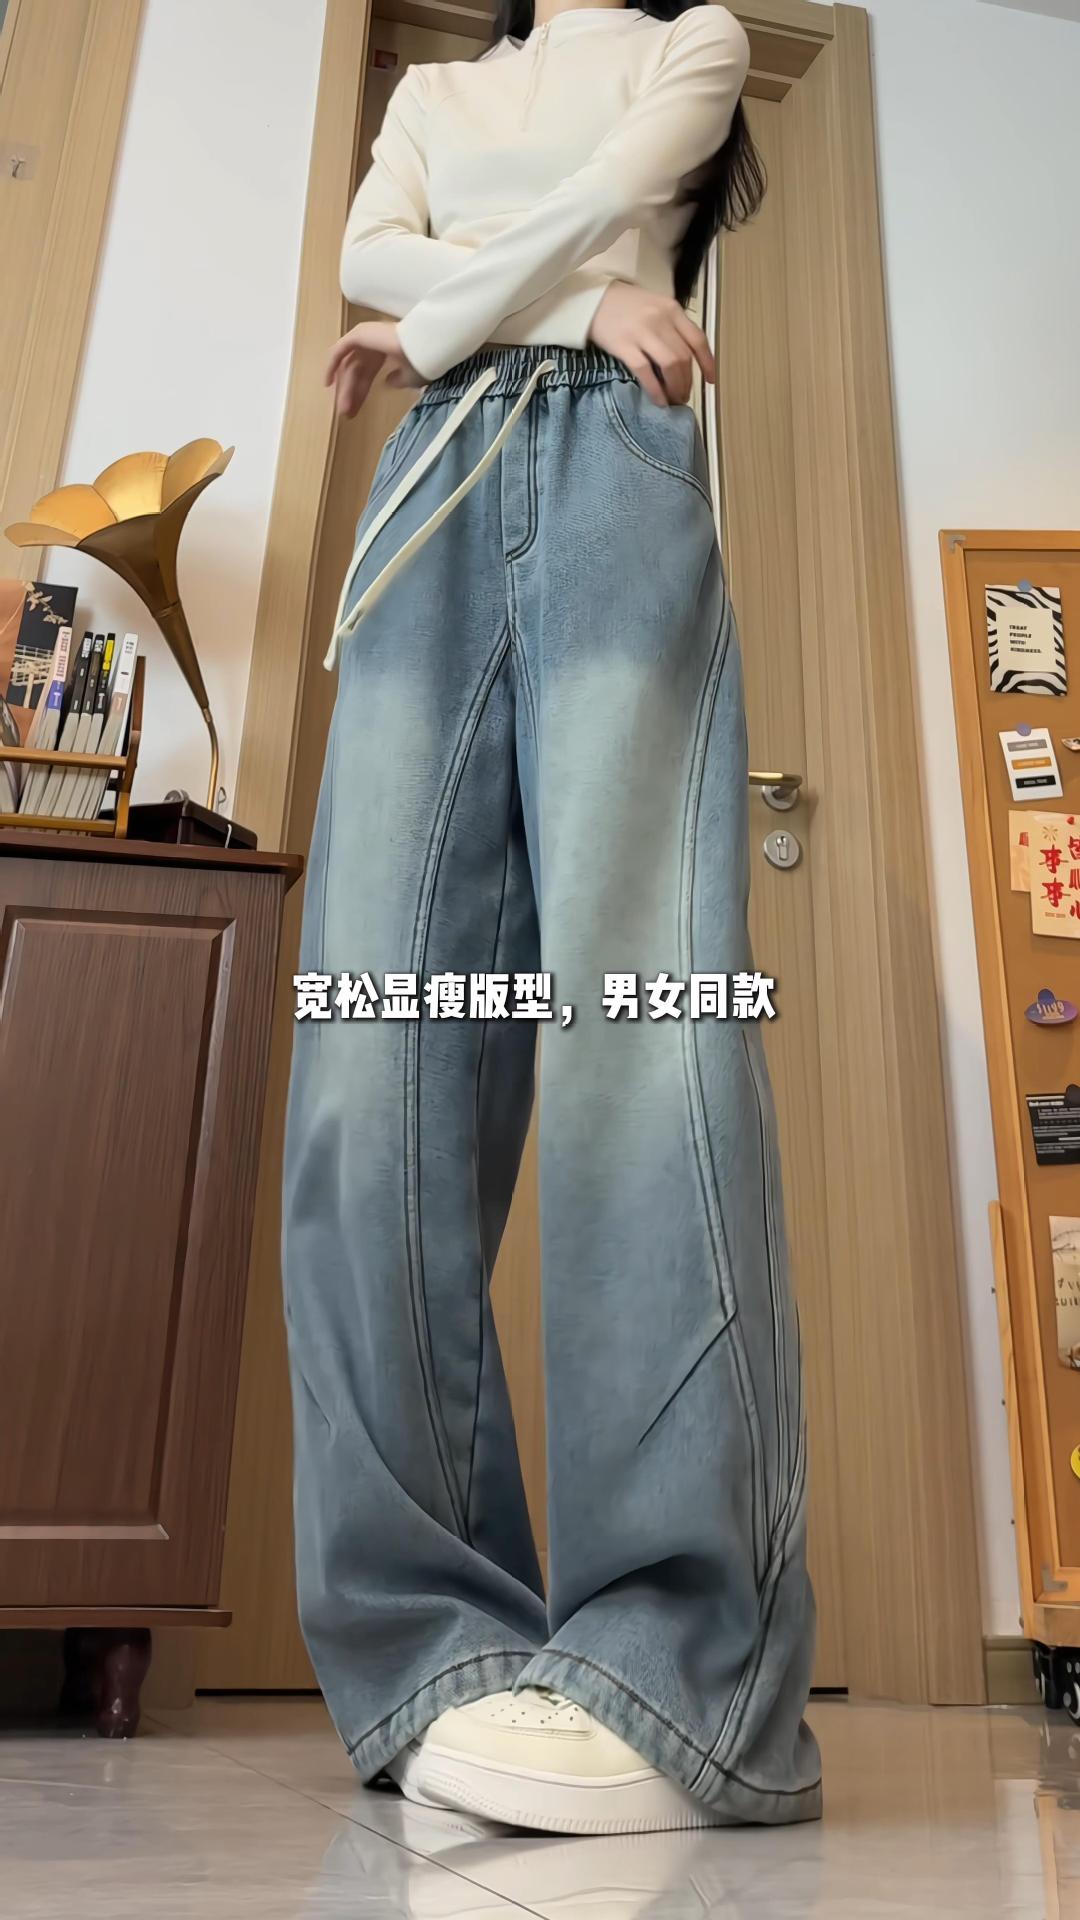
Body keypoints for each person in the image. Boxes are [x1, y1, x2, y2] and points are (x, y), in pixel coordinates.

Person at [281, 0, 822, 1838]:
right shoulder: (438, 85)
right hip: (431, 493)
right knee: (372, 1068)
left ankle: (685, 1671)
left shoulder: (703, 43)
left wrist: (448, 310)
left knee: (642, 1046)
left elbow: (572, 209)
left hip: (615, 479)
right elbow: (364, 252)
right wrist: (583, 302)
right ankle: (428, 1641)